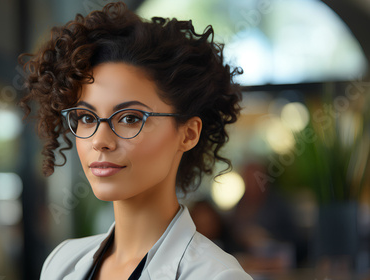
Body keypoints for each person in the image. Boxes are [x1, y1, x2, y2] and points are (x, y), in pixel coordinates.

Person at [19, 2, 252, 279]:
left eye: (129, 118)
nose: (100, 141)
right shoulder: (61, 263)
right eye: (86, 117)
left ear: (188, 134)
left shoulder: (216, 275)